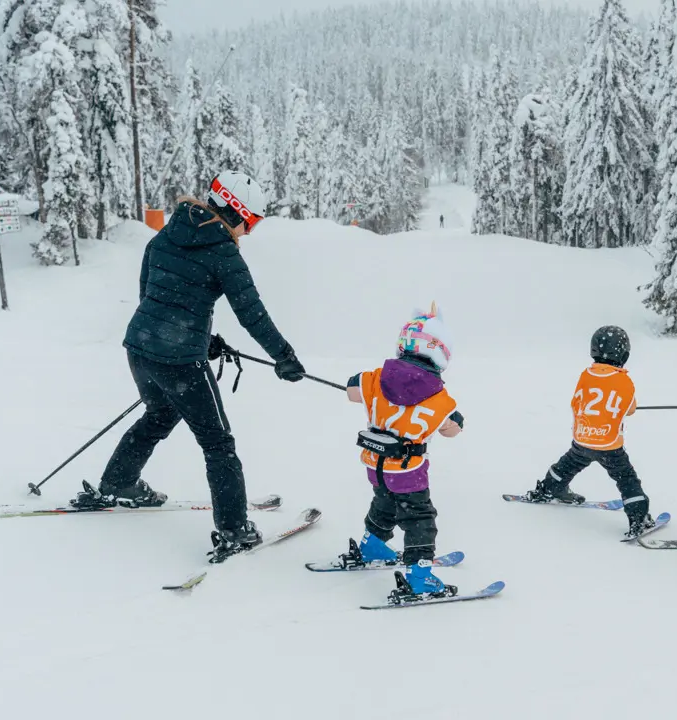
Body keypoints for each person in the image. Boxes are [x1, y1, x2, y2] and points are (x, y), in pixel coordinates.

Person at [71, 172, 307, 561]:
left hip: (140, 347)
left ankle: (118, 482)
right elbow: (251, 313)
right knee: (218, 444)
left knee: (160, 412)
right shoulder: (222, 251)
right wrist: (283, 356)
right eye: (253, 222)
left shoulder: (165, 234)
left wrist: (200, 337)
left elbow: (153, 293)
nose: (250, 232)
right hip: (179, 360)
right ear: (236, 212)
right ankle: (234, 530)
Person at [340, 305, 464, 597]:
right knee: (418, 516)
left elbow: (350, 390)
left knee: (384, 502)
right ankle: (420, 576)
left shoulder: (375, 377)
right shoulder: (437, 397)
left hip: (376, 465)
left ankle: (373, 546)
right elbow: (452, 428)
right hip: (408, 471)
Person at [524, 326, 653, 537]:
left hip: (583, 438)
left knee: (568, 464)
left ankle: (550, 488)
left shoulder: (586, 375)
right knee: (626, 479)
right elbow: (629, 409)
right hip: (609, 445)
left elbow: (576, 402)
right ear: (624, 355)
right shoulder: (624, 380)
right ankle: (639, 517)